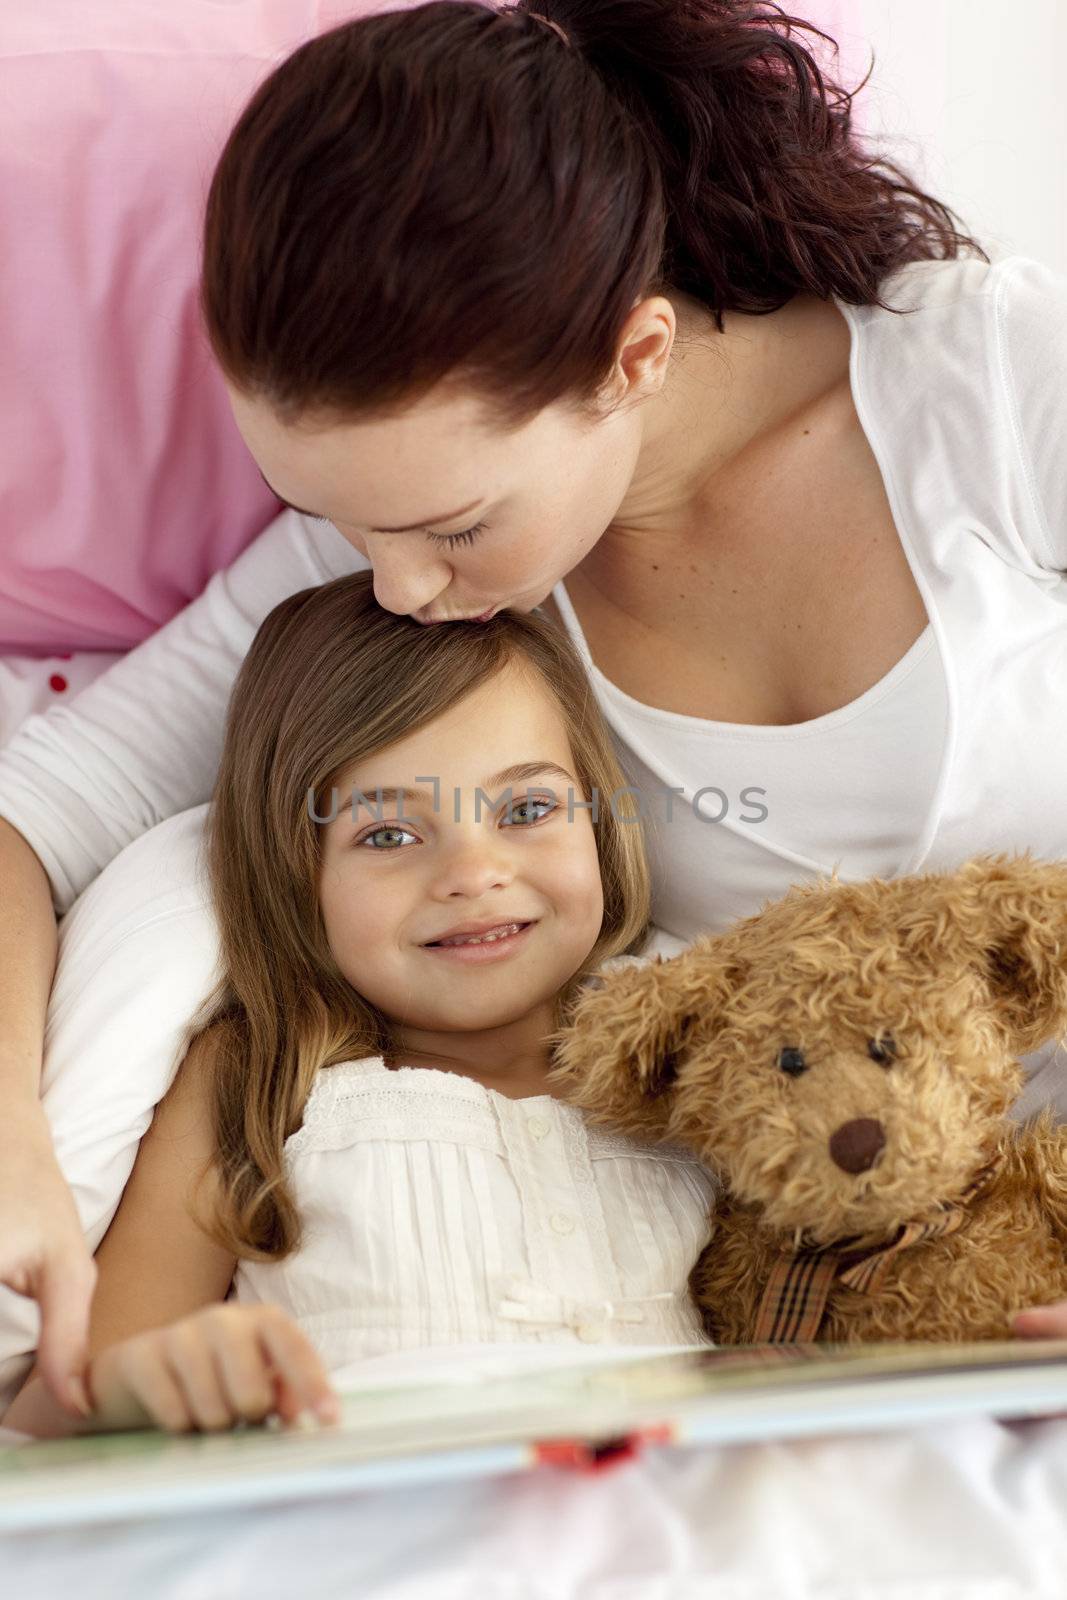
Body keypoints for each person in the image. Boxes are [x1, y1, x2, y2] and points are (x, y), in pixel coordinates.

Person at [2, 0, 1066, 1415]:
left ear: (631, 358)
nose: (400, 588)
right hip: (782, 1346)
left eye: (448, 527)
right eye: (331, 517)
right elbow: (38, 805)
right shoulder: (401, 521)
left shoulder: (992, 391)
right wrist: (9, 1128)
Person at [3, 573, 716, 1437]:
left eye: (527, 808)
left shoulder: (694, 1057)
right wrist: (157, 1380)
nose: (473, 874)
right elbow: (60, 1408)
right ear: (298, 877)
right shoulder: (257, 1080)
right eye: (387, 835)